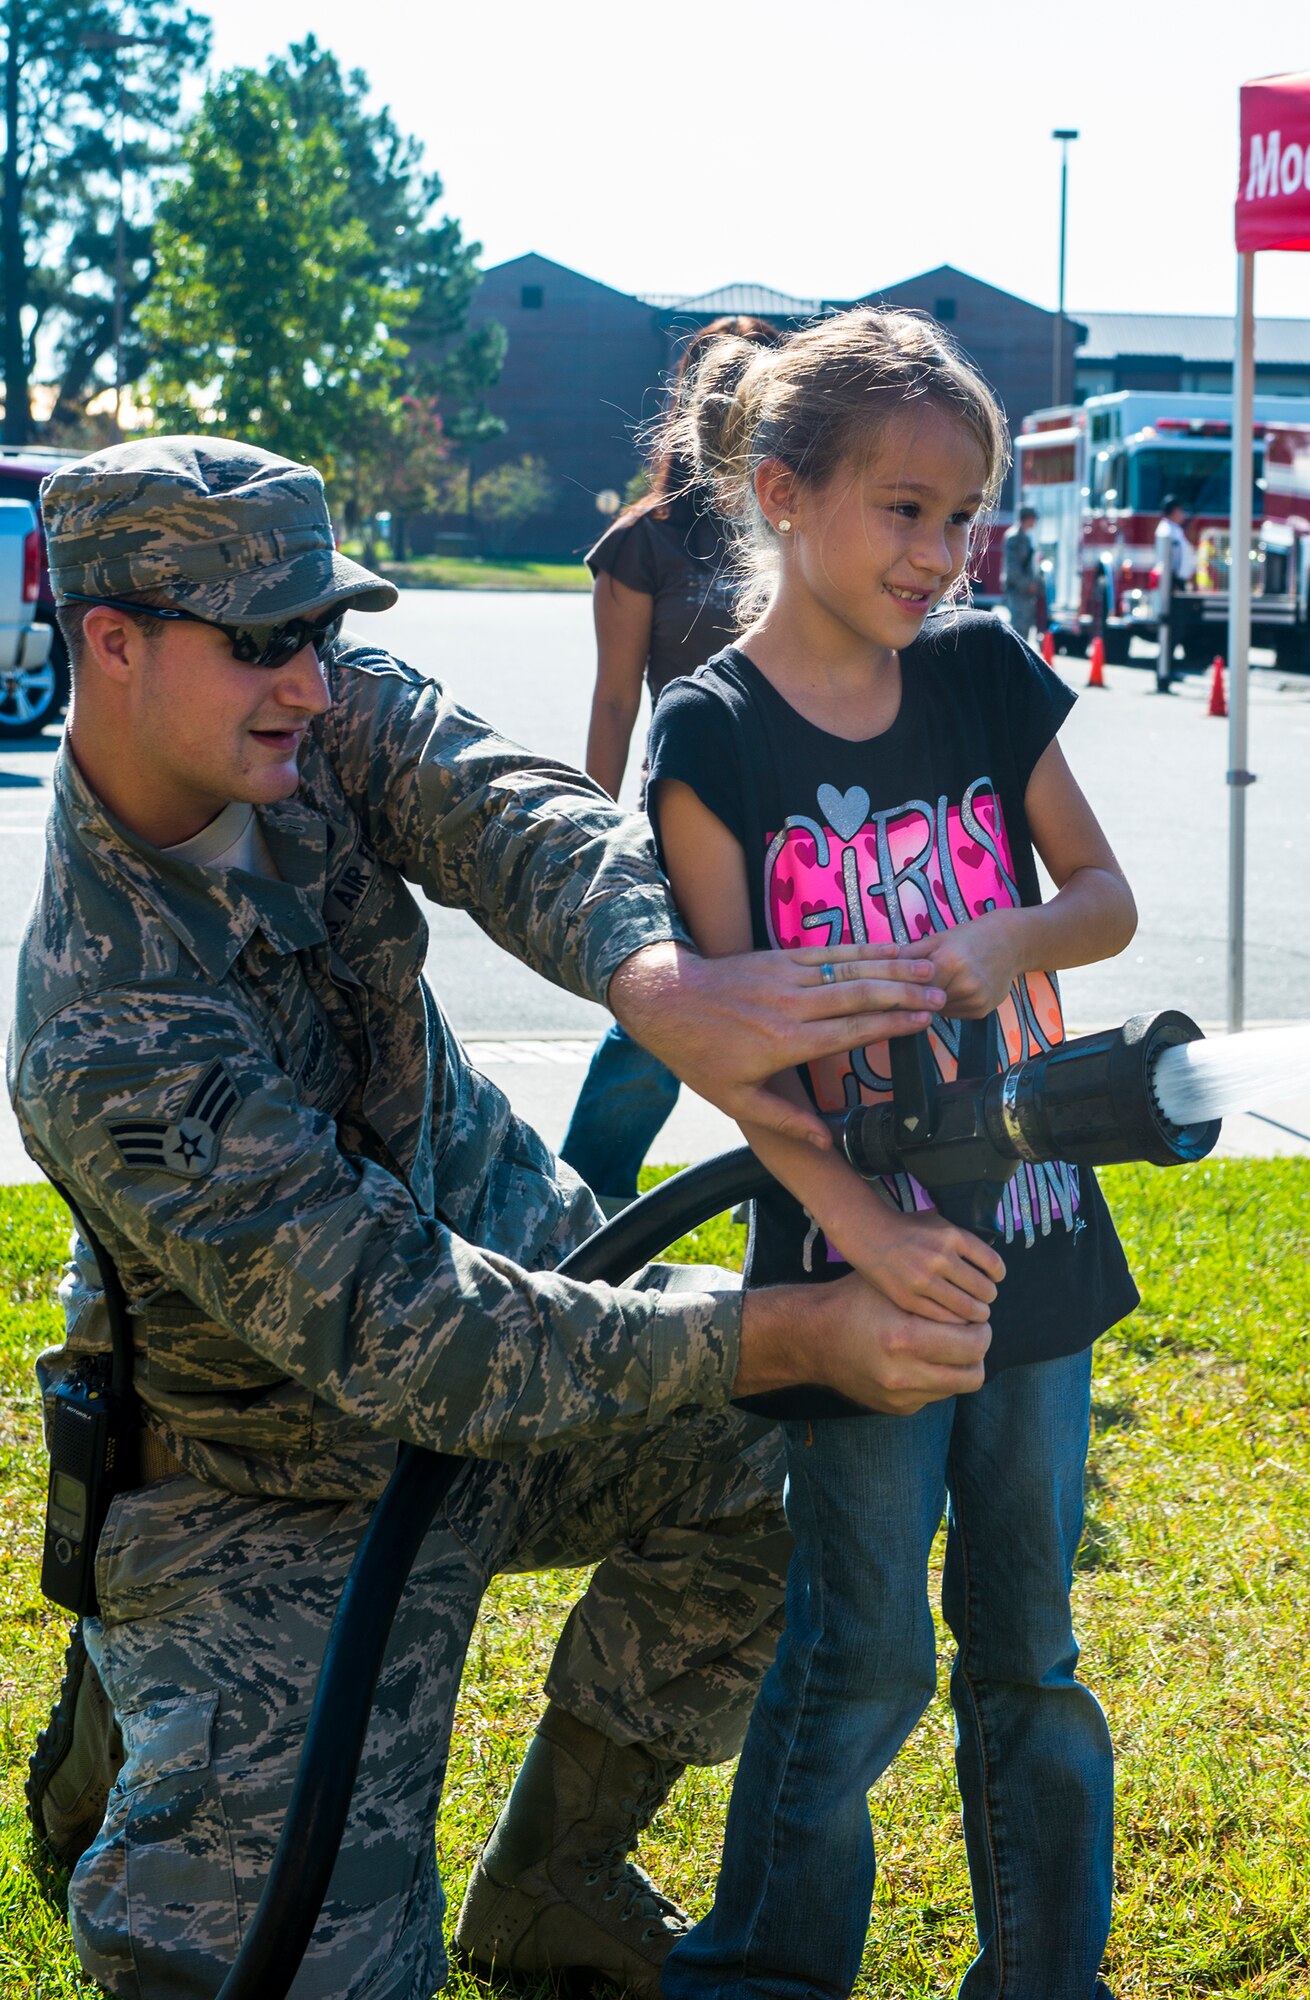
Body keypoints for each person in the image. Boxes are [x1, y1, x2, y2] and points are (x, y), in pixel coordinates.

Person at [13, 435, 992, 2000]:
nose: (313, 684)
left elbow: (518, 812)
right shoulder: (100, 1026)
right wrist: (782, 1326)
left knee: (791, 1462)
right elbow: (412, 1336)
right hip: (277, 1481)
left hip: (540, 1301)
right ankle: (149, 1706)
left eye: (322, 630)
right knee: (269, 1962)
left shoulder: (317, 714)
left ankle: (557, 1879)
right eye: (265, 641)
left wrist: (656, 975)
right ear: (110, 639)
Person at [642, 310, 1140, 1998]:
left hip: (1039, 1244)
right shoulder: (712, 737)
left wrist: (1016, 943)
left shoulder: (987, 675)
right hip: (851, 1271)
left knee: (1033, 1650)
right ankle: (767, 1972)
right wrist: (862, 1231)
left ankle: (1045, 1976)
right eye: (904, 510)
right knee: (860, 1657)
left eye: (963, 518)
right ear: (783, 493)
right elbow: (736, 1059)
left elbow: (1107, 897)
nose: (940, 553)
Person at [564, 313, 783, 1208]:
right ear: (696, 419)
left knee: (802, 1012)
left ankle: (819, 1200)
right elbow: (615, 697)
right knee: (659, 1026)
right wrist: (587, 828)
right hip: (685, 814)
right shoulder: (640, 543)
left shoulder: (795, 525)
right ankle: (584, 1206)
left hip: (800, 808)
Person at [1152, 494, 1194, 693]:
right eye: (1180, 510)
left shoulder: (1173, 530)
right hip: (1172, 584)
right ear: (1173, 511)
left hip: (1176, 583)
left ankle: (1167, 669)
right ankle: (1164, 671)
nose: (1183, 514)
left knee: (1176, 630)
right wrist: (1175, 581)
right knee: (1171, 630)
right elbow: (1169, 560)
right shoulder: (1168, 532)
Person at [1002, 501, 1043, 644]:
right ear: (1027, 518)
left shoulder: (1026, 537)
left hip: (1026, 594)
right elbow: (1012, 569)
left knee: (1025, 631)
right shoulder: (1014, 538)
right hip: (1017, 592)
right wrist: (1028, 585)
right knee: (1018, 631)